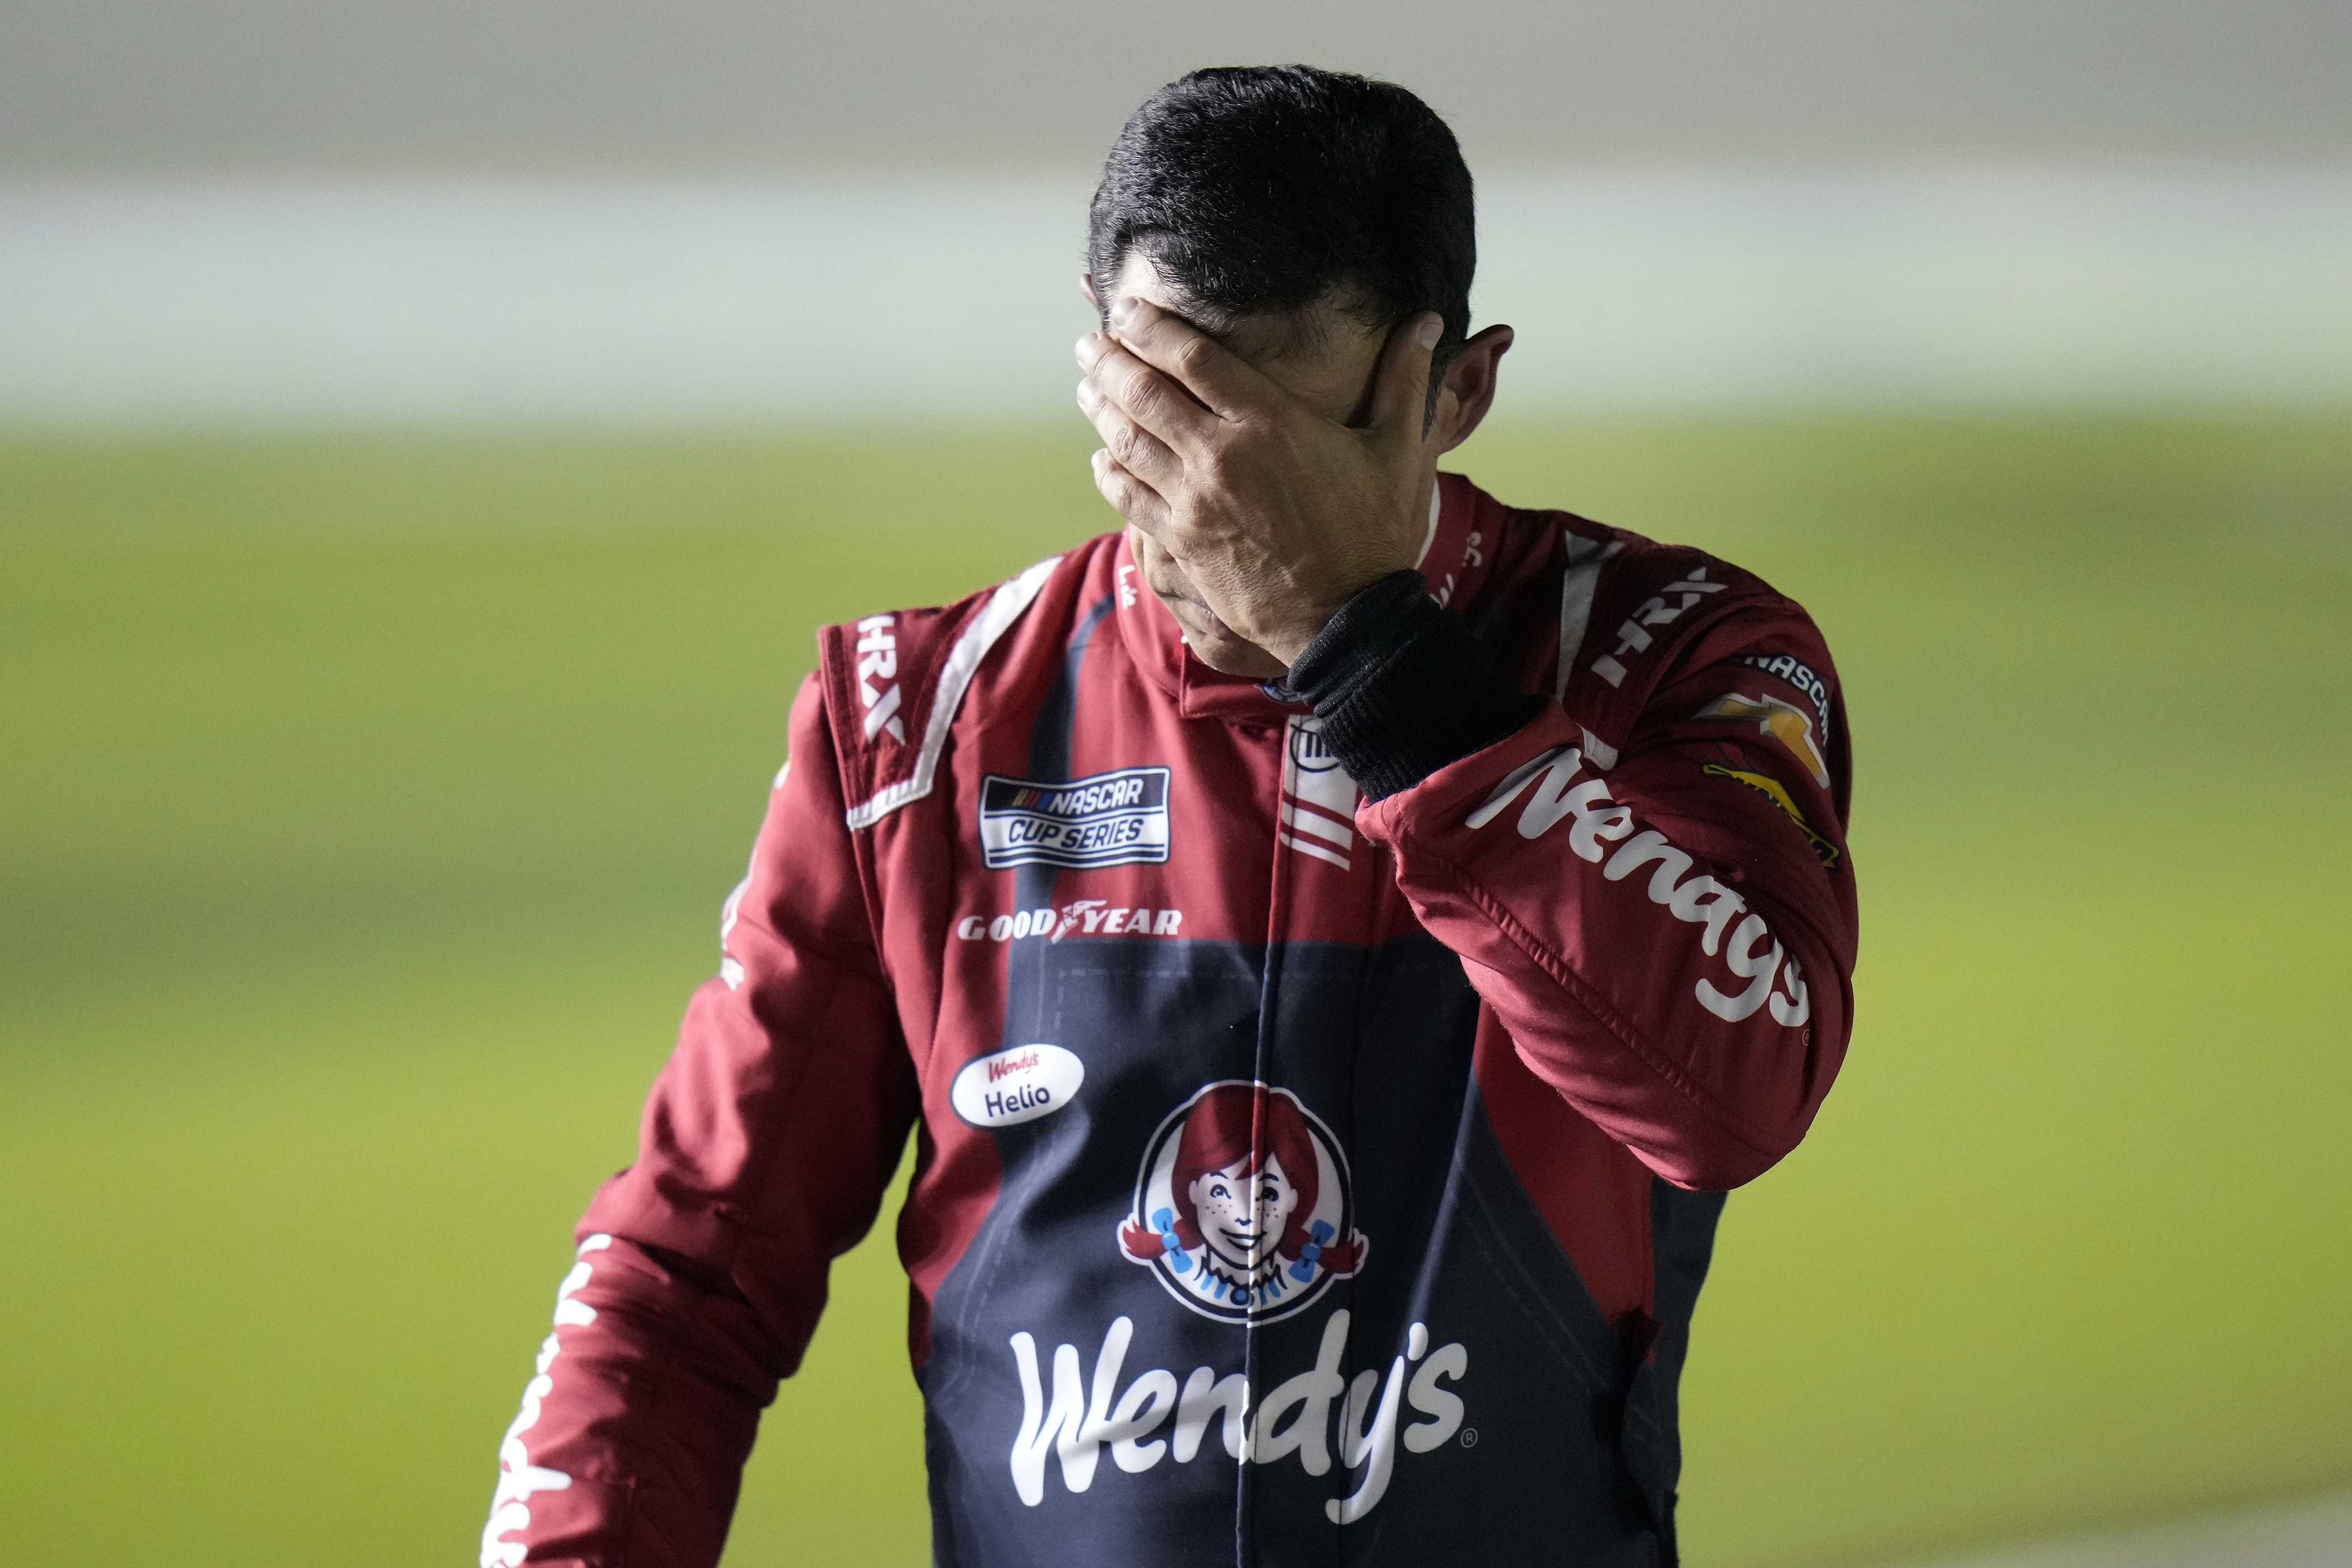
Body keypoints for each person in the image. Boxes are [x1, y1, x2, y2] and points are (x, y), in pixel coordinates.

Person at [481, 64, 1858, 1568]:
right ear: (1100, 363)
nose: (1217, 507)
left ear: (1457, 389)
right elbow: (683, 1284)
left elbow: (1735, 1090)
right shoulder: (915, 723)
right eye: (1168, 418)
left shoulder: (1673, 652)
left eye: (1282, 447)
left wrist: (1363, 646)